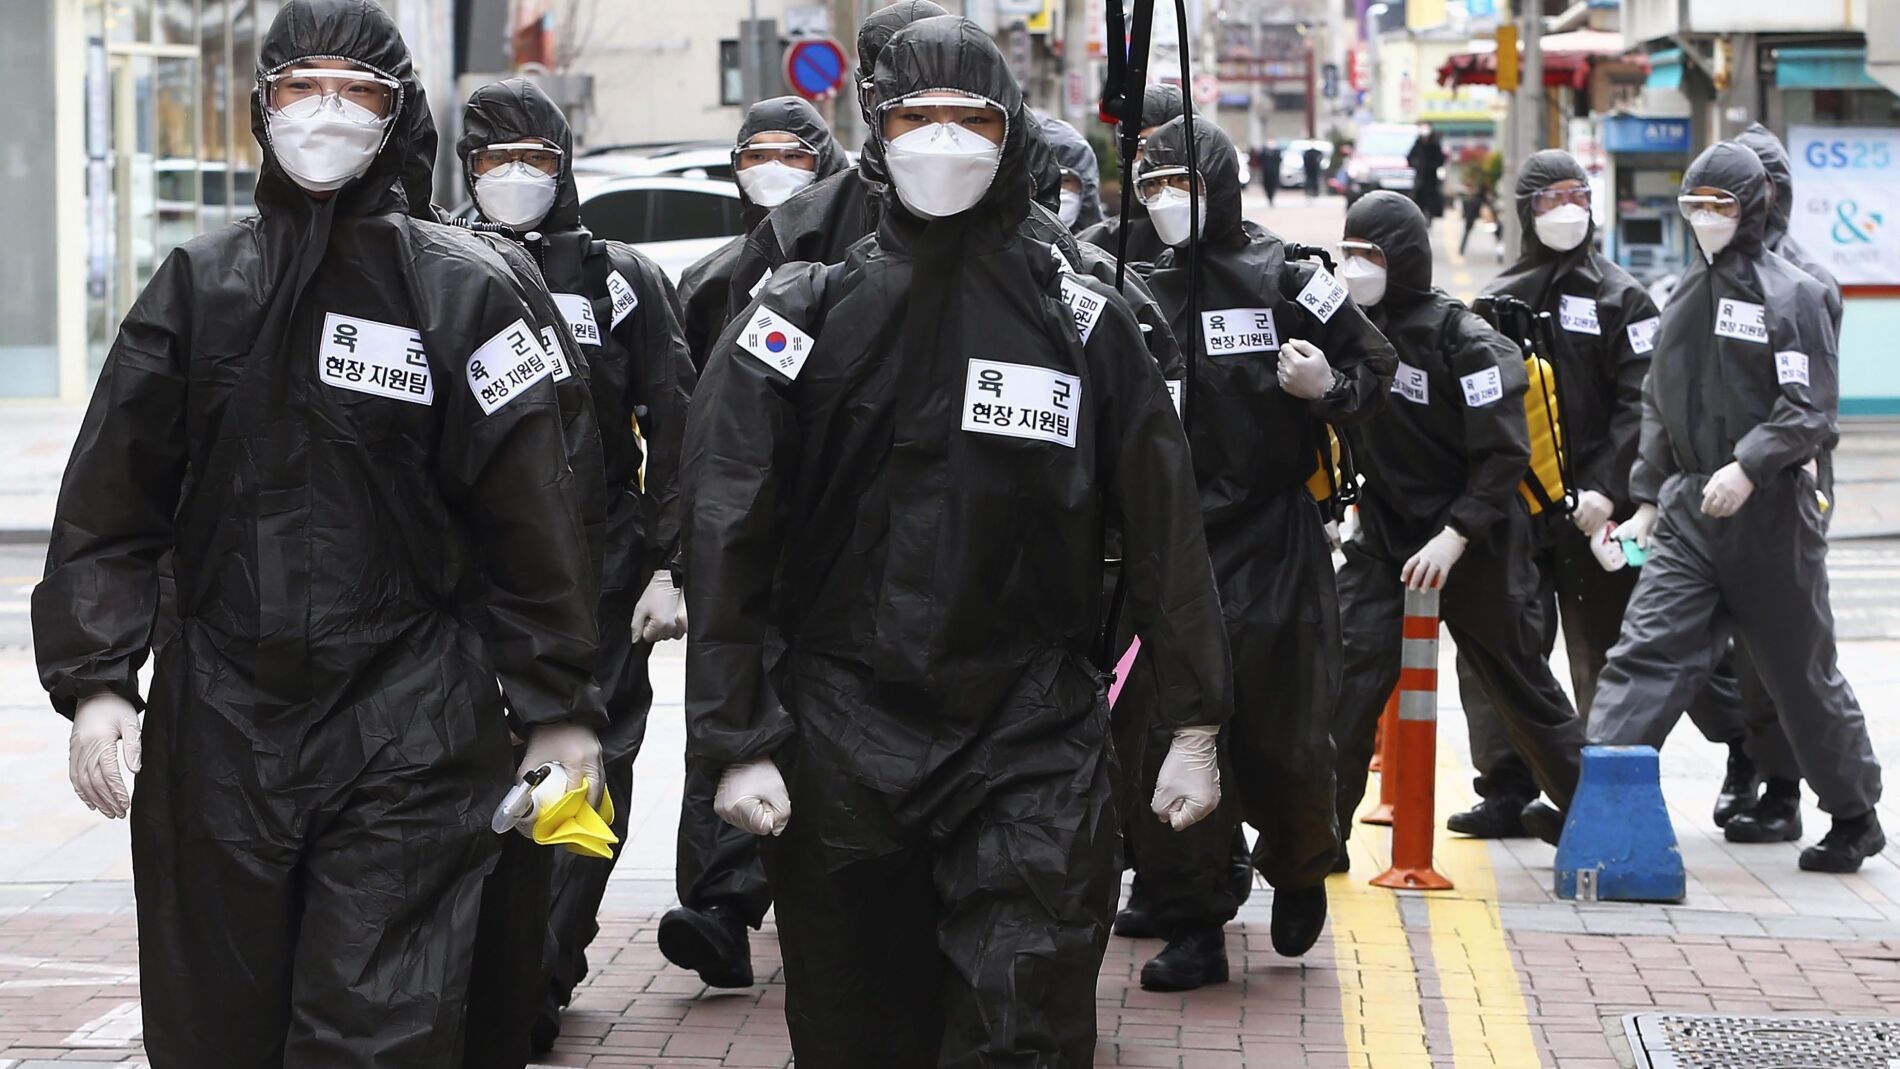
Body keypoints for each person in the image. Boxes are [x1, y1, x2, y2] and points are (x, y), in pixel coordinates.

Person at [37, 2, 610, 1064]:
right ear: (263, 105)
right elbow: (113, 497)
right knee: (221, 1023)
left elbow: (532, 516)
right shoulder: (199, 288)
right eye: (302, 87)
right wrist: (98, 677)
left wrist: (558, 706)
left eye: (356, 91)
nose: (326, 113)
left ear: (397, 114)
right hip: (223, 725)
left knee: (380, 1024)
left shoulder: (466, 293)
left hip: (411, 719)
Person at [682, 16, 1234, 1064]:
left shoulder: (1083, 320)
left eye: (970, 119)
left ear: (1010, 129)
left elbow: (1165, 526)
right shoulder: (799, 312)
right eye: (914, 118)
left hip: (1029, 728)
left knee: (1024, 1014)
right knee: (856, 1026)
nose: (943, 141)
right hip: (841, 729)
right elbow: (725, 525)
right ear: (876, 130)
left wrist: (1195, 718)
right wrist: (733, 735)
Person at [454, 77, 698, 1055]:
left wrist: (670, 566)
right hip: (474, 575)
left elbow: (675, 423)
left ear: (563, 165)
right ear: (464, 167)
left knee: (587, 770)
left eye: (534, 157)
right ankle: (478, 966)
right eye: (493, 158)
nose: (514, 175)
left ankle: (544, 971)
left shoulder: (620, 280)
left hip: (603, 567)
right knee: (476, 771)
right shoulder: (441, 264)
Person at [1123, 117, 1396, 991]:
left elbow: (1376, 365)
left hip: (1275, 537)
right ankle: (1192, 918)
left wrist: (1329, 388)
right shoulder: (1133, 285)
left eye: (1181, 182)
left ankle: (1301, 861)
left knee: (1286, 730)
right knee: (1170, 733)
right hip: (1173, 544)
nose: (1165, 200)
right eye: (1151, 185)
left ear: (1222, 185)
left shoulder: (1289, 276)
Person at [1587, 142, 1884, 873]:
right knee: (1644, 653)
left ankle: (1854, 813)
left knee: (1798, 673)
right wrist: (1648, 500)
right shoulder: (1683, 293)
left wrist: (1751, 465)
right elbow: (1659, 403)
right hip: (1689, 511)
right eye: (1695, 205)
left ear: (1753, 206)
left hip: (1772, 514)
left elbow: (1808, 406)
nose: (1707, 217)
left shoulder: (1796, 294)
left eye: (1721, 204)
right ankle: (1600, 802)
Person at [1329, 192, 1587, 854]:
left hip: (1477, 542)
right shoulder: (1355, 331)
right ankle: (1315, 839)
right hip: (1386, 537)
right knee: (1346, 681)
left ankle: (1597, 819)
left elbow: (1505, 453)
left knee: (1518, 682)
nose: (1354, 267)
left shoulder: (1467, 342)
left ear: (1402, 257)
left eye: (1368, 254)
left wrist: (1457, 533)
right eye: (1348, 252)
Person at [1444, 150, 1659, 839]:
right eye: (1549, 198)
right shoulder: (1497, 300)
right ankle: (1506, 783)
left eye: (1577, 195)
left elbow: (1641, 403)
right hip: (1516, 507)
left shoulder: (1624, 298)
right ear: (1525, 211)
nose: (1566, 210)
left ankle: (1587, 785)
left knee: (1602, 654)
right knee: (1500, 646)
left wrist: (1607, 489)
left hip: (1595, 513)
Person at [1713, 122, 1851, 844]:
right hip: (1714, 488)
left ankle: (1784, 785)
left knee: (1784, 651)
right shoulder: (1711, 274)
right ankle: (1747, 756)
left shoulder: (1805, 284)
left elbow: (1810, 406)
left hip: (1784, 486)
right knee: (1705, 645)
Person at [679, 97, 849, 371]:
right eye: (757, 157)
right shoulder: (708, 279)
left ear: (824, 161)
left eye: (792, 156)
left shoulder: (855, 258)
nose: (773, 169)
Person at [1077, 82, 1187, 265]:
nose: (1155, 159)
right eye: (1143, 147)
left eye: (1168, 145)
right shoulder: (1097, 249)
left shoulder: (1227, 251)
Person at [1036, 110, 1106, 233]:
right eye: (1044, 179)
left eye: (1065, 180)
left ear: (1085, 185)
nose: (1055, 189)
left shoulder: (1108, 241)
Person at [1407, 123, 1446, 218]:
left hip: (1431, 178)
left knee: (1431, 198)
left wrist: (1432, 166)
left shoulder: (1434, 145)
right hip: (1420, 177)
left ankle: (1430, 215)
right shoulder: (1417, 144)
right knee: (1418, 197)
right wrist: (1416, 165)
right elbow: (1410, 157)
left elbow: (1440, 160)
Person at [1261, 139, 1283, 206]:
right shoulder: (1264, 152)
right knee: (1267, 186)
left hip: (1274, 173)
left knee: (1273, 186)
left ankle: (1271, 198)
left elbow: (1279, 160)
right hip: (1266, 173)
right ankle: (1269, 198)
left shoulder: (1277, 152)